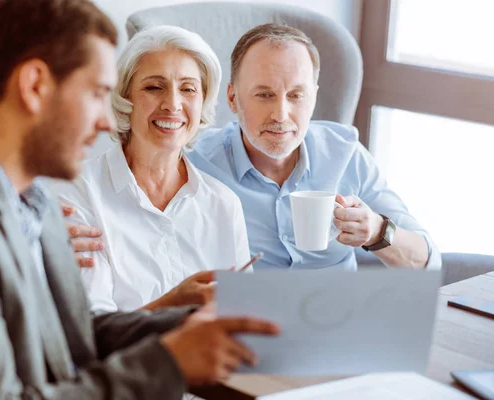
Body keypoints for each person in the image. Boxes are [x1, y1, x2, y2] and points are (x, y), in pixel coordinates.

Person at [0, 2, 279, 398]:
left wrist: (184, 326)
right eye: (96, 93)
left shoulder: (30, 195)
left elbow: (73, 333)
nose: (108, 121)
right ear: (34, 86)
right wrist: (168, 362)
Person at [70, 23, 441, 271]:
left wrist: (378, 232)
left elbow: (429, 261)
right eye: (263, 95)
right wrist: (52, 236)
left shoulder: (346, 155)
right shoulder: (194, 161)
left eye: (296, 95)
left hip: (337, 332)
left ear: (314, 97)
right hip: (245, 345)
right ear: (232, 98)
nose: (281, 114)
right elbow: (127, 196)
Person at [52, 25, 250, 313]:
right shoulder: (78, 191)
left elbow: (243, 318)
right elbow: (92, 331)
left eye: (188, 89)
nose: (172, 104)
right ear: (125, 97)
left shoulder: (224, 204)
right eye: (154, 87)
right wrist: (172, 304)